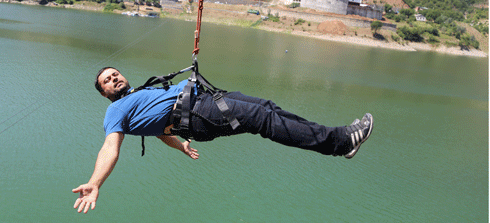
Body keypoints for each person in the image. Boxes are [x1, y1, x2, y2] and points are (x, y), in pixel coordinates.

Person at [73, 67, 373, 213]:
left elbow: (156, 131)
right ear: (104, 94)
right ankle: (342, 142)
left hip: (202, 99)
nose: (114, 79)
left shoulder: (138, 95)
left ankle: (341, 141)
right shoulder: (115, 112)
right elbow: (110, 148)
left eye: (114, 74)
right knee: (263, 120)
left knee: (267, 109)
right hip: (199, 112)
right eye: (107, 81)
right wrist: (96, 182)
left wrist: (180, 145)